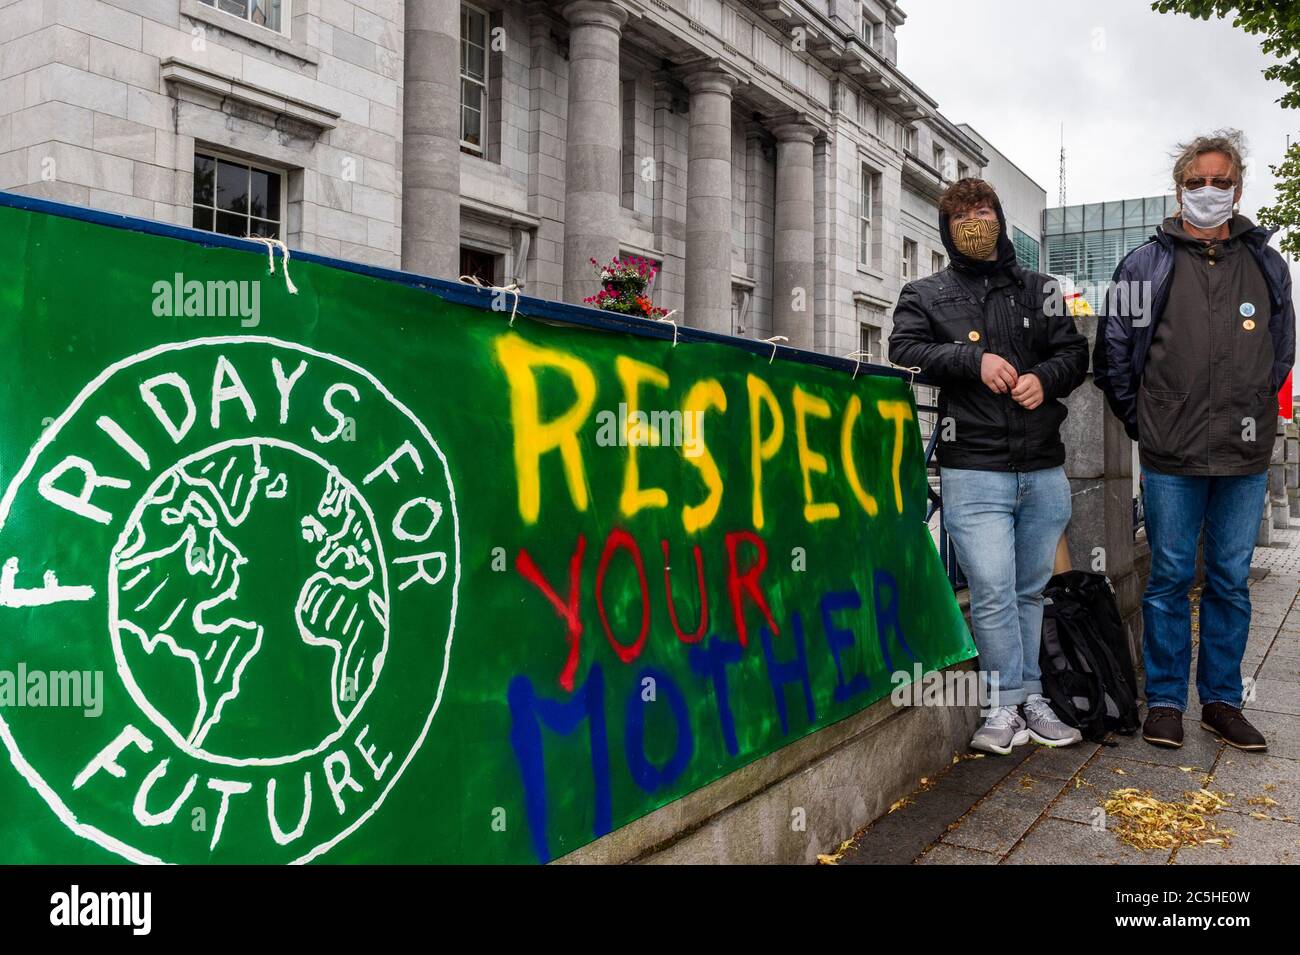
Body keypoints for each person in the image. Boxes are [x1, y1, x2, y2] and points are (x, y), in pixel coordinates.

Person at [1094, 131, 1295, 752]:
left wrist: (1256, 412)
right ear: (1179, 188)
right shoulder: (1144, 263)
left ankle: (1221, 703)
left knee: (1231, 579)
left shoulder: (1265, 261)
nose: (1210, 190)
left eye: (1221, 180)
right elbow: (1114, 354)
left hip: (1243, 451)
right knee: (1170, 577)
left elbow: (1280, 352)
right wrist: (1146, 420)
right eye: (1198, 180)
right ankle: (1163, 701)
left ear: (1238, 188)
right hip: (1170, 452)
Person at [889, 178, 1090, 754]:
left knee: (1028, 589)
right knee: (993, 587)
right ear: (947, 230)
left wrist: (1042, 379)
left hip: (1042, 465)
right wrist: (970, 359)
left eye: (984, 211)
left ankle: (1028, 699)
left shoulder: (1041, 288)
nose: (976, 222)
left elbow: (1075, 355)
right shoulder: (924, 293)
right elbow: (902, 350)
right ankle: (1005, 703)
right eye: (962, 217)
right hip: (972, 465)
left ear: (999, 218)